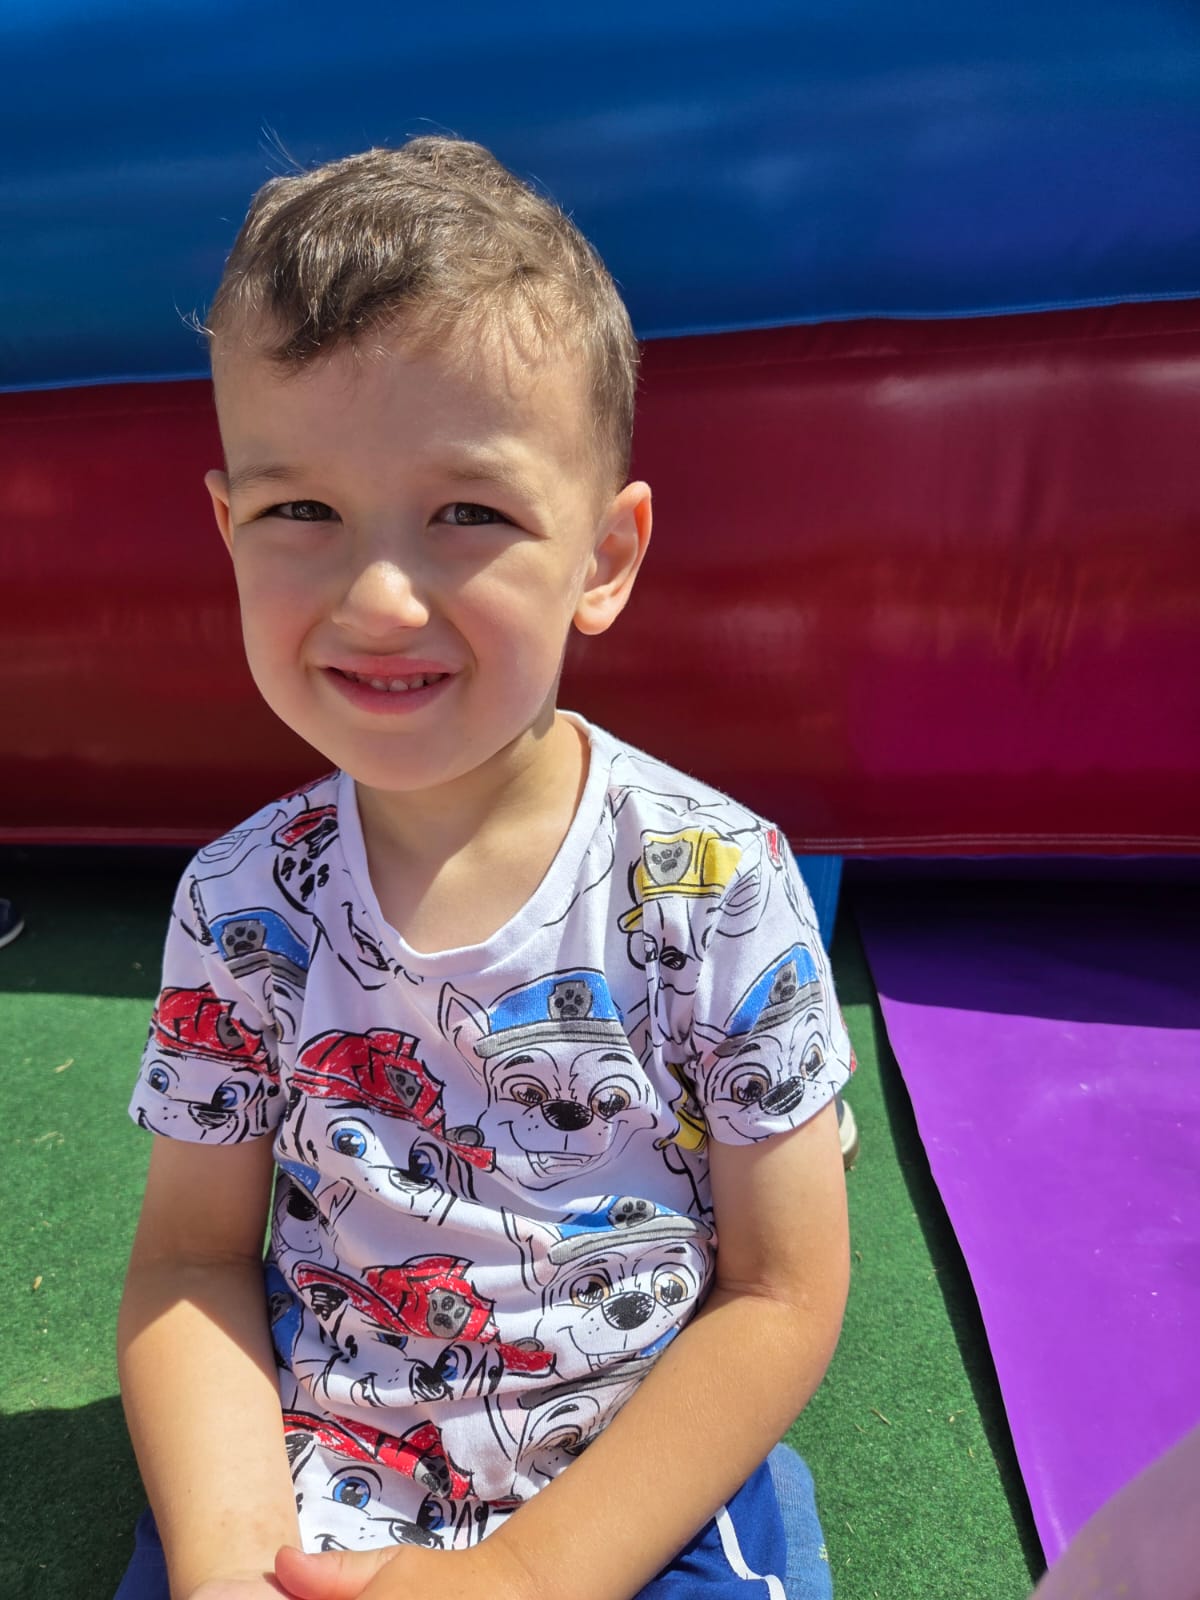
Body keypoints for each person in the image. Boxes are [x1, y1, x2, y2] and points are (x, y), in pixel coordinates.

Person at [116, 137, 854, 1600]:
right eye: (300, 511)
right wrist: (229, 1557)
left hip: (633, 1496)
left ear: (605, 554)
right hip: (311, 1485)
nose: (381, 596)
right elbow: (191, 1264)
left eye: (469, 513)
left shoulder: (713, 886)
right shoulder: (241, 902)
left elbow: (781, 1291)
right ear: (228, 526)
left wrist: (528, 1578)